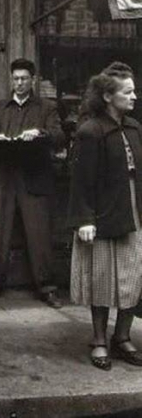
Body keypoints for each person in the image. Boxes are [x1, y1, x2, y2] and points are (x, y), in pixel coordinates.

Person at [69, 62, 142, 370]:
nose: (135, 96)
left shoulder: (135, 128)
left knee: (132, 279)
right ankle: (99, 340)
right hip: (100, 217)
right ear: (109, 96)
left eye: (134, 90)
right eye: (128, 91)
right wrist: (85, 219)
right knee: (101, 281)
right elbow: (81, 181)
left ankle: (122, 337)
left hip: (133, 214)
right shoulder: (90, 131)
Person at [0, 58, 64, 308]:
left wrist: (40, 134)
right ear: (11, 79)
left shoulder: (46, 108)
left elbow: (59, 137)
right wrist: (0, 140)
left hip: (34, 175)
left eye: (24, 78)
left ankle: (47, 288)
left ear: (32, 79)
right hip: (5, 175)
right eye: (16, 79)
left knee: (39, 235)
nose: (20, 83)